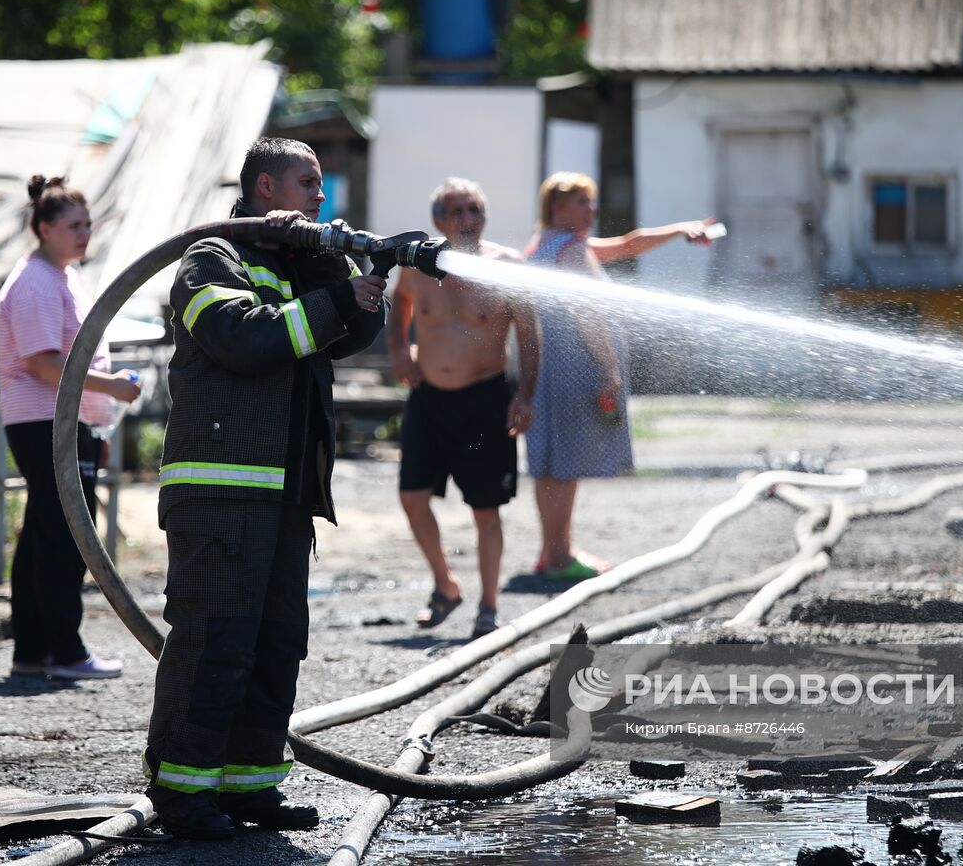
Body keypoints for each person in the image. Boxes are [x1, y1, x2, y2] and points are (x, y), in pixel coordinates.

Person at [144, 138, 388, 840]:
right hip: (221, 490)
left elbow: (343, 338)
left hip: (281, 494)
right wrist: (338, 291)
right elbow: (245, 339)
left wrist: (364, 280)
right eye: (308, 182)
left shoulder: (294, 261)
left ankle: (249, 787)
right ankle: (184, 798)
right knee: (215, 642)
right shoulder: (211, 259)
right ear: (264, 188)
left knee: (275, 643)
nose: (321, 195)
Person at [525, 172, 714, 580]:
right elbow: (586, 311)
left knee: (554, 463)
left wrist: (681, 229)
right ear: (556, 208)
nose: (590, 210)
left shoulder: (548, 245)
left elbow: (631, 244)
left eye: (591, 202)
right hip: (575, 367)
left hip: (548, 367)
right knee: (565, 466)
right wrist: (609, 366)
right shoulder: (572, 251)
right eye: (580, 202)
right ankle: (558, 558)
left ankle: (554, 551)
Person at [0, 175, 141, 681]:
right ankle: (64, 650)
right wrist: (112, 387)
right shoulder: (35, 281)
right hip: (45, 419)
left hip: (55, 420)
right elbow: (42, 363)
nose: (85, 233)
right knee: (64, 536)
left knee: (44, 533)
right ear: (44, 228)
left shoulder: (57, 275)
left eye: (88, 224)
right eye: (74, 226)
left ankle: (35, 652)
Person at [387, 178, 540, 639]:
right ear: (438, 221)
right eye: (457, 211)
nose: (468, 219)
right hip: (429, 397)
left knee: (485, 508)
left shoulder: (508, 267)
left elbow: (530, 337)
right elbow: (401, 306)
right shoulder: (418, 266)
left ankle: (488, 606)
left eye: (474, 210)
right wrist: (398, 350)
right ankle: (445, 585)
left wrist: (525, 395)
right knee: (412, 497)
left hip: (485, 397)